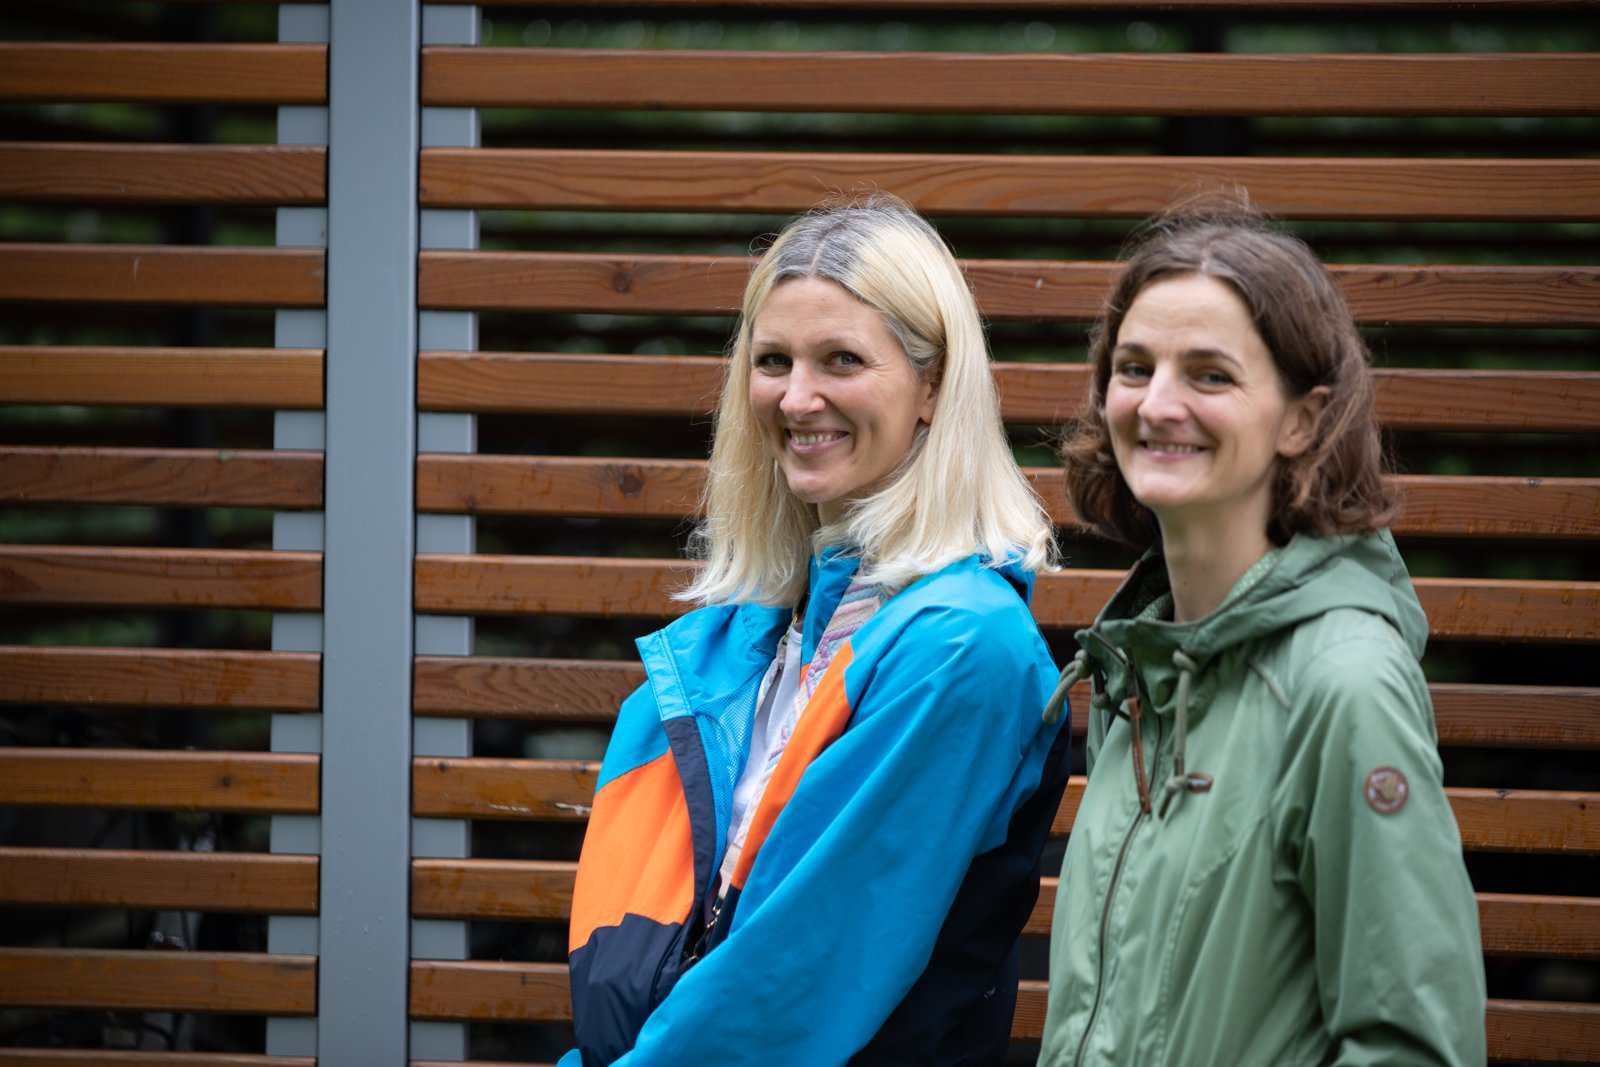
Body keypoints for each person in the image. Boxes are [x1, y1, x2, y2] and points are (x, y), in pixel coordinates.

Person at [561, 194, 1073, 1067]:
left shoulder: (963, 647)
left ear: (933, 387)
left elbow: (787, 989)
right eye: (773, 360)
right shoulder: (742, 642)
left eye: (842, 358)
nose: (798, 398)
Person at [1038, 200, 1486, 1066]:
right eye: (1135, 368)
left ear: (1302, 420)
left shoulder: (1345, 684)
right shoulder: (1140, 668)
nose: (1158, 403)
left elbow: (1415, 1045)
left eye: (1210, 375)